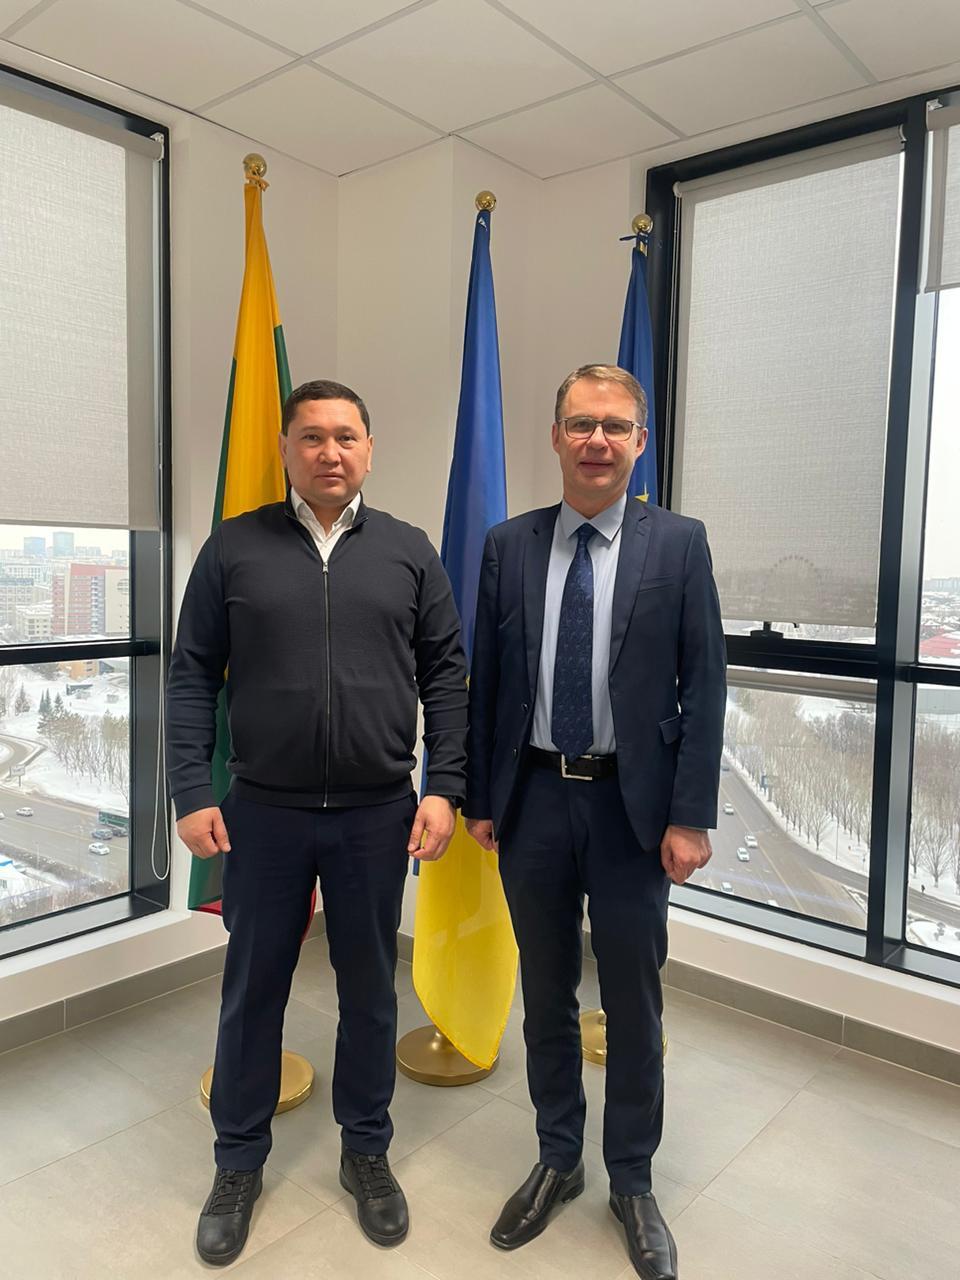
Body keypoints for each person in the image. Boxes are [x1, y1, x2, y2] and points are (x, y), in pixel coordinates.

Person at [166, 379, 467, 1266]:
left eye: (345, 437)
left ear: (369, 449)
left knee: (370, 992)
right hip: (263, 812)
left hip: (379, 813)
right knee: (252, 990)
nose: (329, 452)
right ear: (286, 450)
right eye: (311, 437)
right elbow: (192, 674)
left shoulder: (409, 551)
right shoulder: (234, 547)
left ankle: (366, 1150)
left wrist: (444, 785)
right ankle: (237, 1162)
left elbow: (447, 676)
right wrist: (191, 789)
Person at [465, 364, 725, 1280]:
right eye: (581, 423)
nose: (597, 441)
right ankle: (557, 1158)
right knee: (545, 995)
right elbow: (489, 681)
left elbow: (705, 685)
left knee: (633, 1003)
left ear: (640, 442)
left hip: (631, 810)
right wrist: (482, 798)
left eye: (615, 426)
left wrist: (690, 816)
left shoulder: (679, 545)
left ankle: (633, 1182)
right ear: (556, 437)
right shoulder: (508, 545)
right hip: (533, 799)